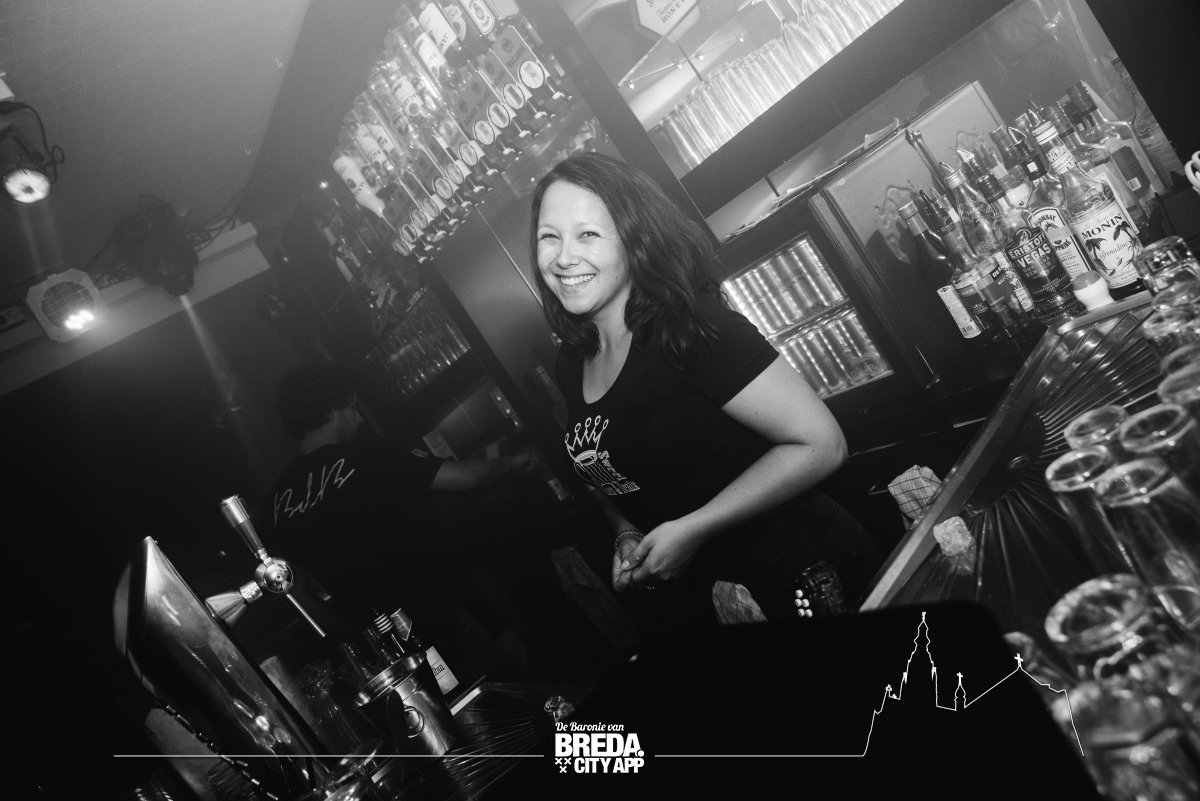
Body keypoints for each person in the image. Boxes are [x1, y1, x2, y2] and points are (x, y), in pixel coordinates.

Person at [529, 152, 881, 636]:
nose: (564, 257)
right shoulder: (572, 360)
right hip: (723, 598)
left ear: (634, 236)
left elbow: (821, 444)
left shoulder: (689, 327)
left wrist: (694, 528)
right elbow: (613, 474)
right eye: (549, 237)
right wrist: (627, 531)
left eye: (587, 233)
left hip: (806, 574)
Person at [258, 361, 539, 677]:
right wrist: (513, 462)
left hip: (383, 647)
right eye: (353, 408)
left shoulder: (274, 507)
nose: (359, 418)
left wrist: (353, 634)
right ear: (331, 411)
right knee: (514, 684)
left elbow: (295, 594)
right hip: (442, 611)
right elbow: (469, 477)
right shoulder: (367, 454)